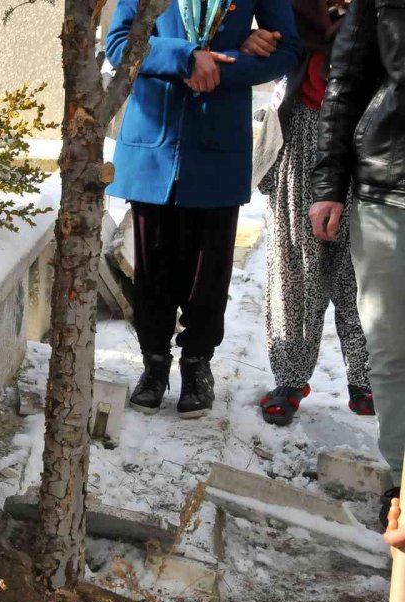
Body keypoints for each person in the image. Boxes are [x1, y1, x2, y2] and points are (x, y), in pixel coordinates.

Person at [106, 0, 299, 418]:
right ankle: (154, 364)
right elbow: (119, 44)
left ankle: (197, 365)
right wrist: (186, 57)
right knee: (152, 268)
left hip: (218, 143)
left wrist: (222, 67)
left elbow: (287, 50)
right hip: (154, 143)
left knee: (208, 272)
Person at [249, 0, 373, 426]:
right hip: (302, 124)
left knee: (362, 264)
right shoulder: (293, 8)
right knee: (295, 264)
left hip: (370, 130)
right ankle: (290, 378)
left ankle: (368, 378)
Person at [310, 0, 405, 526]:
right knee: (391, 349)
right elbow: (345, 80)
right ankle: (401, 481)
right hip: (390, 188)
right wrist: (329, 183)